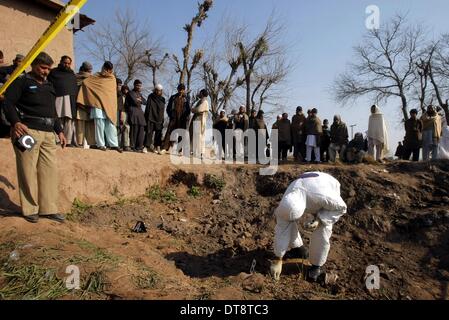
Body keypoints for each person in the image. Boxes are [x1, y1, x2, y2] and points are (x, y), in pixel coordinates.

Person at [3, 52, 67, 223]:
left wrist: (59, 130)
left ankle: (48, 209)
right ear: (33, 65)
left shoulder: (49, 86)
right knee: (27, 169)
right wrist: (15, 122)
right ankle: (30, 209)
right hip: (27, 132)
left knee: (49, 171)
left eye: (48, 69)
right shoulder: (22, 81)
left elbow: (52, 111)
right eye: (43, 68)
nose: (46, 71)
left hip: (48, 134)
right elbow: (7, 103)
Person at [270, 172, 347, 282]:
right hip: (307, 187)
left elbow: (342, 207)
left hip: (325, 187)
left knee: (324, 227)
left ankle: (316, 266)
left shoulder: (327, 197)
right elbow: (282, 228)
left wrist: (320, 220)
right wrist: (278, 258)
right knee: (287, 221)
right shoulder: (288, 198)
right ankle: (298, 249)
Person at [77, 61, 122, 152]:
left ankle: (114, 144)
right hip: (97, 104)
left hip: (109, 104)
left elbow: (111, 93)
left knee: (110, 124)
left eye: (109, 69)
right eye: (106, 68)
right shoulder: (96, 76)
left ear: (111, 70)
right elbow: (86, 82)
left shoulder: (112, 78)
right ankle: (100, 144)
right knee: (99, 124)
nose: (107, 71)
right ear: (103, 67)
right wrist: (95, 95)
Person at [48, 56, 78, 147]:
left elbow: (74, 87)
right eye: (65, 63)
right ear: (61, 62)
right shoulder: (53, 72)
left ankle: (68, 141)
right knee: (58, 118)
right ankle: (57, 139)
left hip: (70, 100)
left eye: (69, 63)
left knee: (69, 120)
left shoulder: (72, 74)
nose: (66, 65)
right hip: (58, 98)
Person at [162, 84, 191, 153]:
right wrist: (170, 115)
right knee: (169, 132)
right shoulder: (173, 97)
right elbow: (168, 108)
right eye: (180, 89)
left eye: (182, 89)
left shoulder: (186, 98)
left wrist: (186, 117)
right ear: (177, 89)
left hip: (182, 119)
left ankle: (180, 150)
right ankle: (165, 148)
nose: (181, 91)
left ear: (184, 90)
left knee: (181, 134)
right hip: (174, 117)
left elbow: (188, 109)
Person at [75, 61, 95, 148]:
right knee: (86, 125)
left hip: (80, 104)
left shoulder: (75, 77)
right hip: (88, 104)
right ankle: (91, 143)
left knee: (81, 125)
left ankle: (80, 143)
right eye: (89, 70)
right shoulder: (93, 78)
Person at [126, 80, 147, 153]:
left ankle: (139, 147)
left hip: (140, 114)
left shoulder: (139, 94)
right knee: (134, 130)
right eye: (137, 85)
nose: (139, 87)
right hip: (133, 113)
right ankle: (133, 146)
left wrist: (139, 99)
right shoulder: (131, 93)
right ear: (134, 85)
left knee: (141, 130)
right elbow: (135, 101)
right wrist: (139, 100)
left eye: (140, 86)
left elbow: (145, 102)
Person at [145, 84, 165, 154]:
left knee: (158, 133)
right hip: (151, 117)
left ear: (161, 91)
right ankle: (146, 147)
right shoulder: (151, 96)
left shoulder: (163, 99)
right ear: (155, 90)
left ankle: (157, 147)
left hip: (159, 118)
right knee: (149, 132)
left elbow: (162, 109)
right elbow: (148, 107)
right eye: (157, 90)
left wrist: (162, 118)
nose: (158, 92)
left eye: (159, 91)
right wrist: (146, 116)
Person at [189, 89, 209, 158]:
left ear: (202, 94)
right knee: (194, 136)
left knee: (199, 137)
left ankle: (201, 153)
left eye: (200, 93)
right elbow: (195, 110)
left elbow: (198, 109)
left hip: (200, 121)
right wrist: (194, 110)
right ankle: (193, 151)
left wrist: (193, 110)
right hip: (196, 120)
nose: (199, 94)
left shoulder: (205, 102)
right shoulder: (200, 101)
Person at [117, 80, 131, 152]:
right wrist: (121, 114)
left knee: (127, 128)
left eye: (127, 89)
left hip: (127, 114)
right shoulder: (120, 96)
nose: (126, 91)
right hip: (121, 113)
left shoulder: (128, 97)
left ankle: (126, 145)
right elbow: (120, 106)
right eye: (125, 89)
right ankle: (118, 144)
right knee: (120, 128)